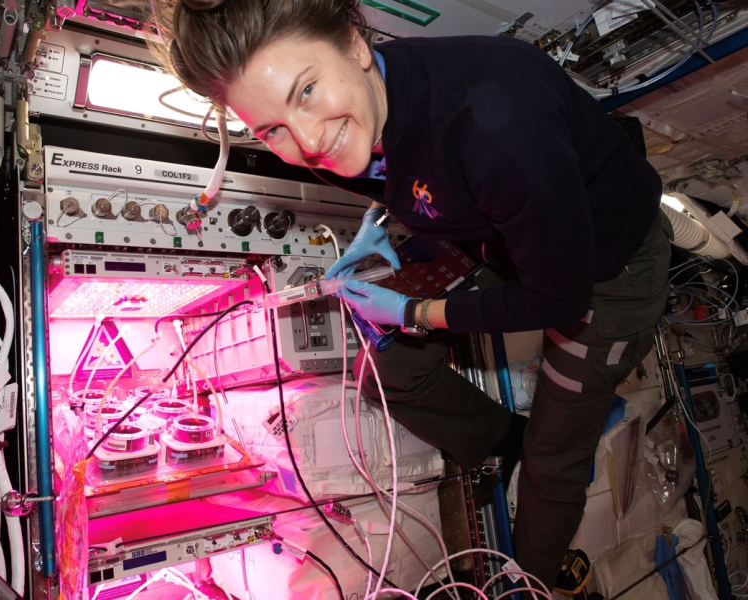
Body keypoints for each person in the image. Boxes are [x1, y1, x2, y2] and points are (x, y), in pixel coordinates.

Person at [154, 0, 672, 588]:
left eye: (305, 92)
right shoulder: (342, 113)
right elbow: (399, 160)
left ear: (354, 44)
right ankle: (509, 441)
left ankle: (536, 578)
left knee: (556, 459)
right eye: (270, 128)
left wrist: (414, 311)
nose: (305, 141)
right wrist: (382, 218)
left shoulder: (493, 114)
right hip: (501, 240)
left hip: (606, 271)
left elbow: (558, 301)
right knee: (387, 366)